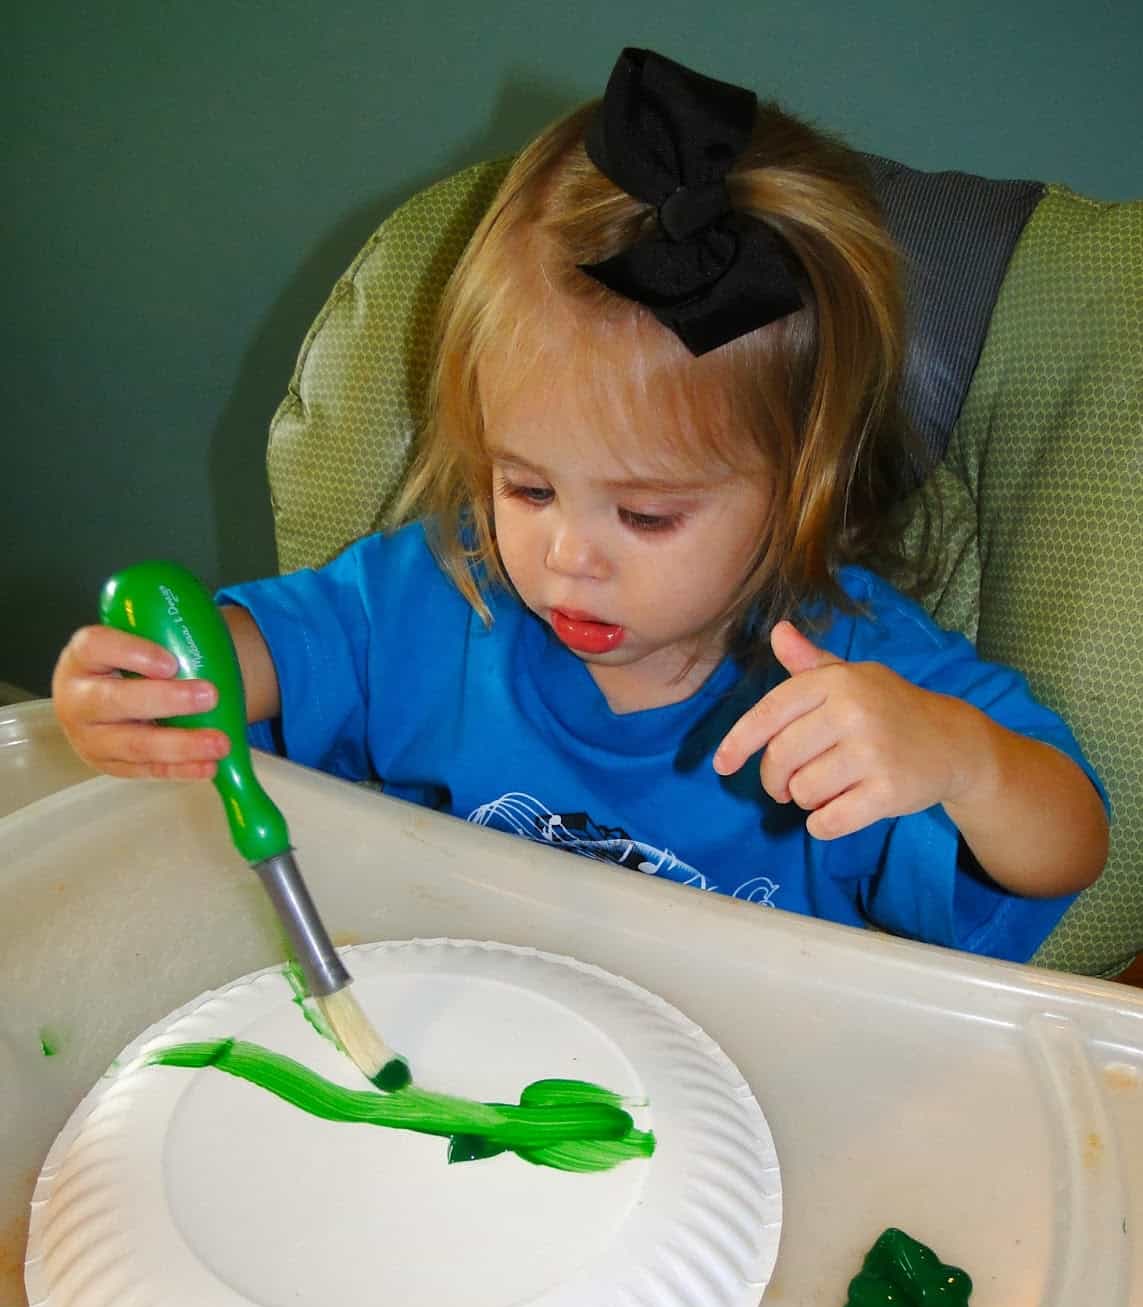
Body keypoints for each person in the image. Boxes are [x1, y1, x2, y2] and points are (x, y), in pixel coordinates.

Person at [52, 47, 1108, 961]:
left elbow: (1067, 841)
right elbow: (263, 652)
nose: (566, 557)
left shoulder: (855, 674)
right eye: (526, 485)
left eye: (645, 516)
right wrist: (150, 689)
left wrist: (959, 758)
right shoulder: (443, 594)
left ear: (799, 486)